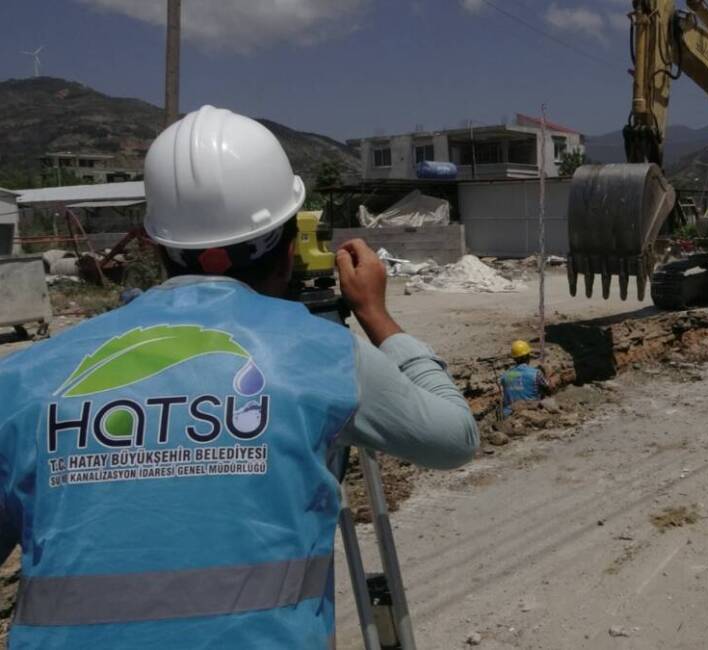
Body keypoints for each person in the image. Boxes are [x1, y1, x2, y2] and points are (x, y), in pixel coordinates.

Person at [0, 106, 478, 649]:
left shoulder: (24, 377)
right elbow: (453, 438)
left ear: (155, 245)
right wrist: (374, 314)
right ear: (289, 245)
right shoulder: (318, 352)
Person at [500, 339, 550, 416]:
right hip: (530, 412)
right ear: (527, 356)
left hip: (508, 414)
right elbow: (548, 387)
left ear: (514, 358)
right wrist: (547, 372)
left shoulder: (506, 375)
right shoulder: (535, 373)